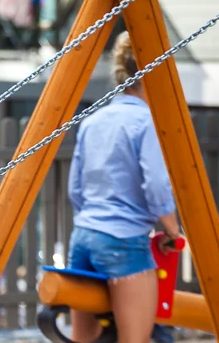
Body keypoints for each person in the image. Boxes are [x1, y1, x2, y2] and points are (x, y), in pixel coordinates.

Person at [66, 31, 183, 343]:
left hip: (83, 238)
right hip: (123, 242)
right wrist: (171, 229)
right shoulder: (147, 123)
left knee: (83, 339)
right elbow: (156, 184)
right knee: (135, 339)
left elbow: (75, 190)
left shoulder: (93, 120)